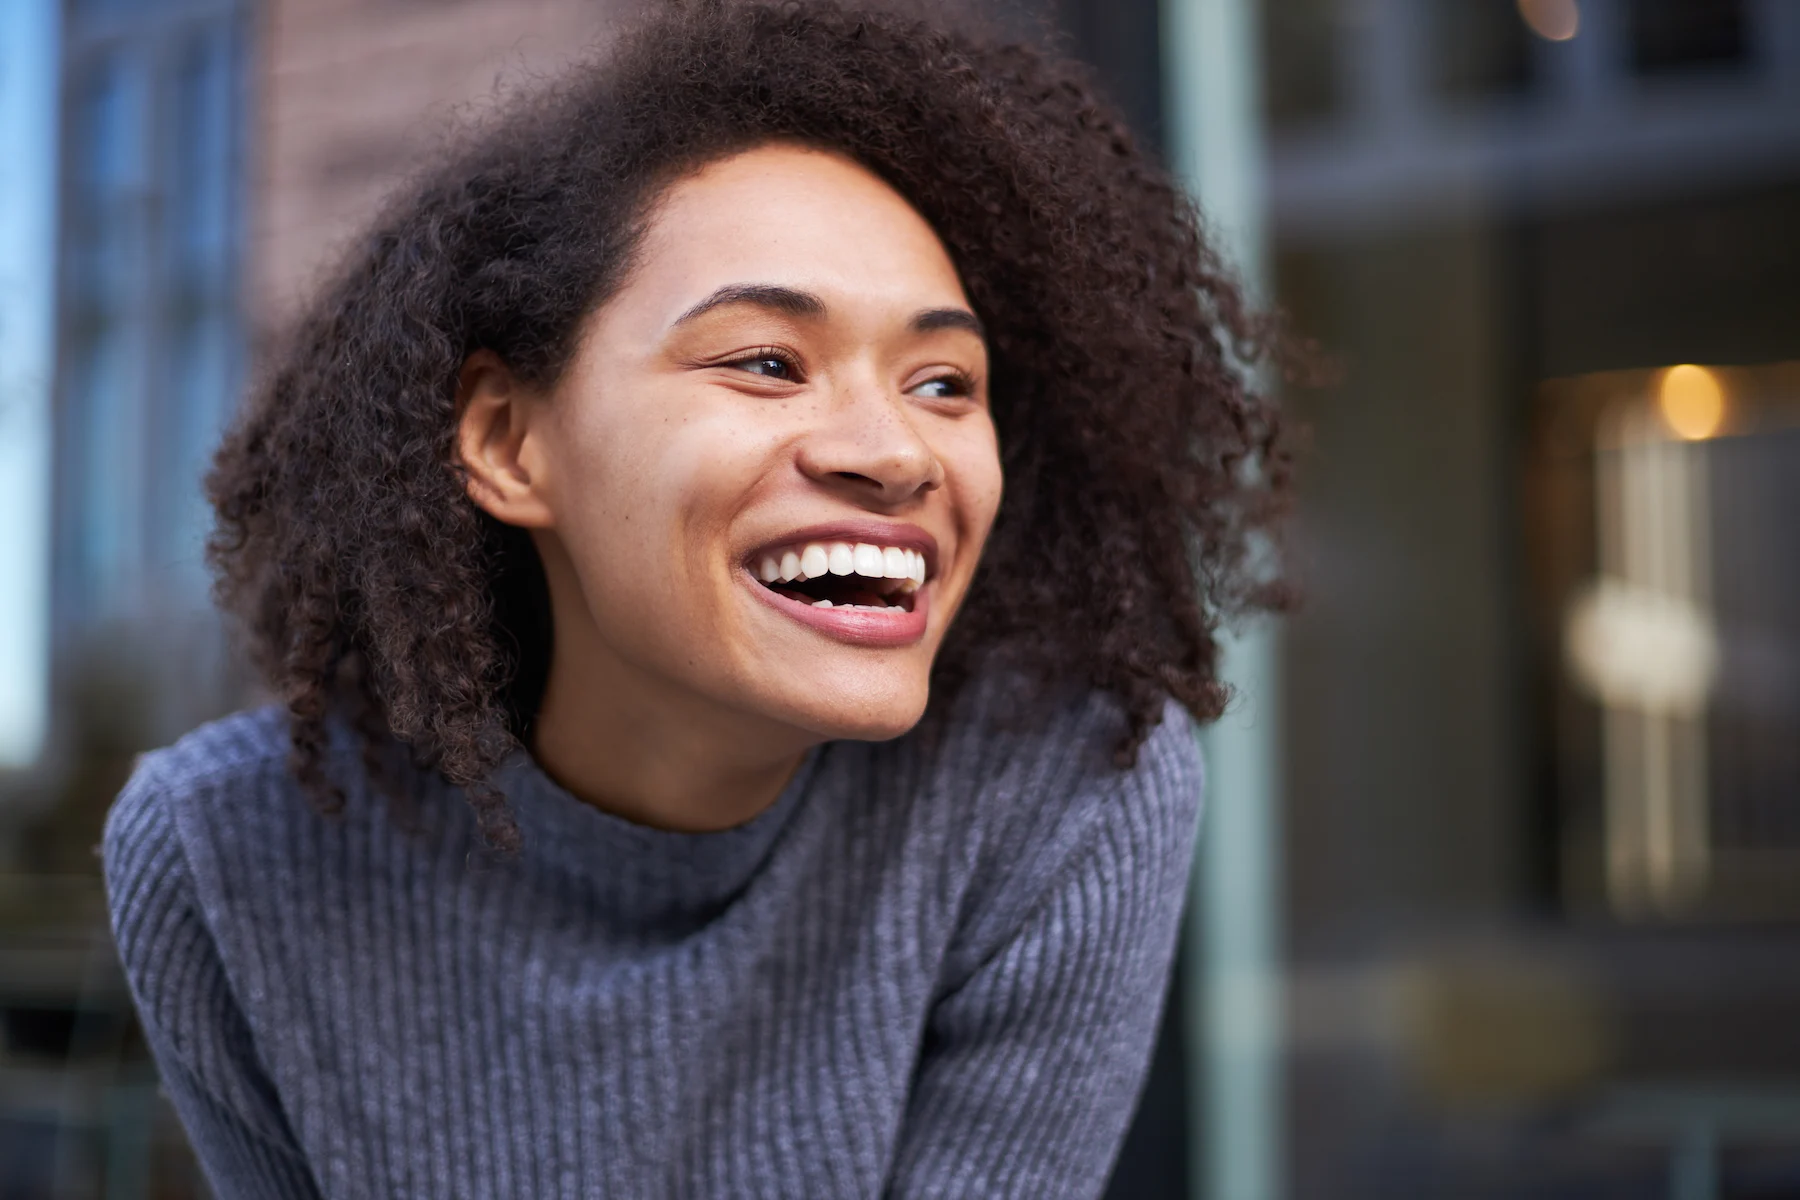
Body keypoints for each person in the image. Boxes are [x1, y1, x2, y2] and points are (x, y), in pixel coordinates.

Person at [101, 1, 1291, 1195]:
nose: (895, 453)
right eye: (767, 361)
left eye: (944, 381)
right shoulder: (224, 859)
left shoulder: (1062, 783)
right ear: (509, 440)